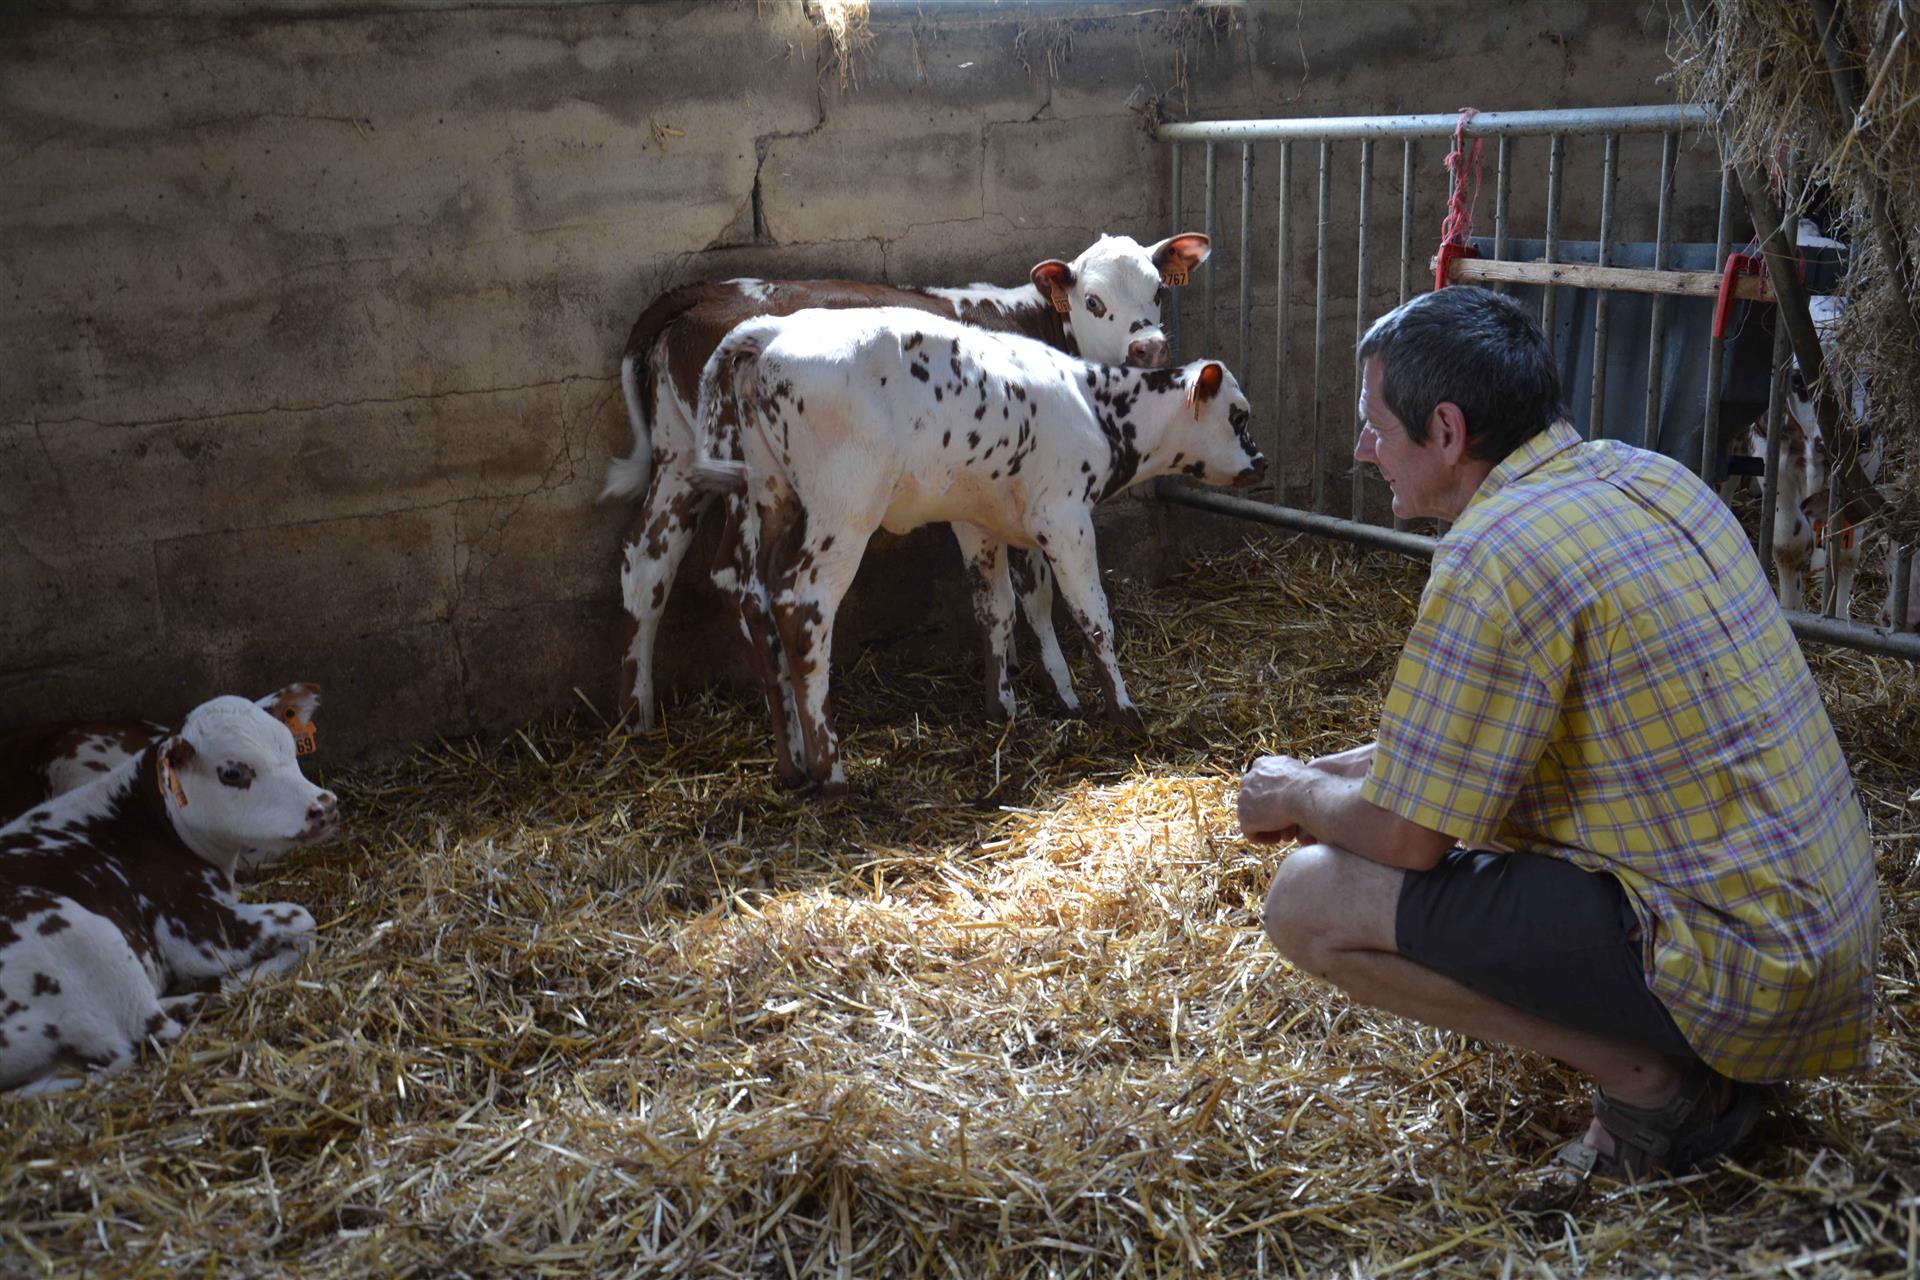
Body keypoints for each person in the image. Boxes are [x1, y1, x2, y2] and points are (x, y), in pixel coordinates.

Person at [1240, 286, 1878, 1181]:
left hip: (1740, 972)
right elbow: (1498, 748)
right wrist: (1337, 772)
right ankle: (1693, 1057)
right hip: (1820, 944)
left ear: (1449, 432)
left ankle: (1655, 1081)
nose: (1363, 450)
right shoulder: (1647, 476)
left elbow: (1408, 840)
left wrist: (1300, 794)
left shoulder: (1494, 554)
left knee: (1308, 899)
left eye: (1374, 425)